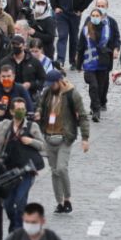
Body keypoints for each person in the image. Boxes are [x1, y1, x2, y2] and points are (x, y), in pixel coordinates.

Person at [0, 96, 44, 231]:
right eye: (18, 109)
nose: (21, 111)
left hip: (26, 171)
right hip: (7, 170)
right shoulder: (4, 124)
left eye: (23, 109)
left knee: (20, 202)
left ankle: (17, 231)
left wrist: (31, 141)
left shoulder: (32, 126)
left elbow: (42, 145)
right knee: (9, 204)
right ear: (12, 111)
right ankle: (14, 224)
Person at [36, 69, 89, 216]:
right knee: (54, 171)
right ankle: (59, 202)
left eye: (51, 84)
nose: (49, 87)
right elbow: (41, 105)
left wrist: (85, 138)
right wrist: (39, 112)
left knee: (61, 168)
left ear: (59, 81)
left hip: (65, 137)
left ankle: (68, 199)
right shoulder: (47, 93)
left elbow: (83, 116)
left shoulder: (72, 94)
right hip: (48, 136)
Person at [77, 6, 117, 123]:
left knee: (99, 88)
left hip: (103, 63)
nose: (95, 18)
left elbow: (111, 45)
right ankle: (96, 110)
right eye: (93, 16)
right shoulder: (85, 30)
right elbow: (81, 47)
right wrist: (79, 64)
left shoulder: (107, 30)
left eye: (97, 16)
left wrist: (111, 61)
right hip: (89, 63)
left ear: (101, 17)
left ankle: (94, 104)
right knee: (93, 85)